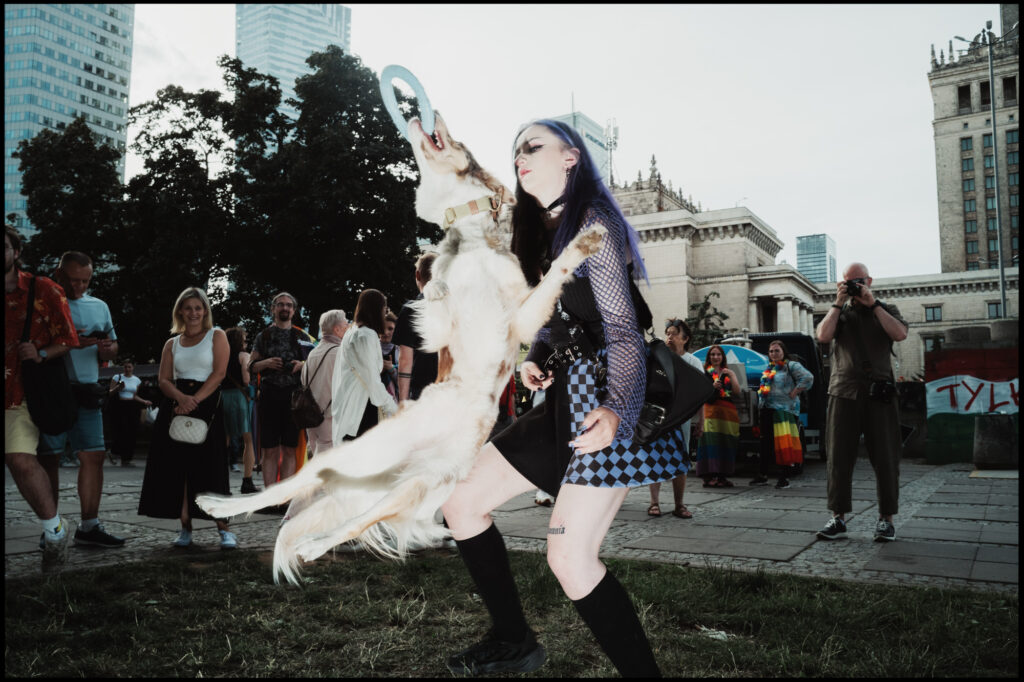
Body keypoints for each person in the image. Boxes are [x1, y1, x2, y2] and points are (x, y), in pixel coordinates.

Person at [440, 118, 675, 677]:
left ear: (571, 157)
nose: (520, 157)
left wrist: (617, 407)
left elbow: (620, 328)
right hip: (563, 402)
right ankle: (514, 641)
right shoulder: (542, 232)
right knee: (461, 502)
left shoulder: (594, 222)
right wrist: (537, 358)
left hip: (607, 401)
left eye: (532, 146)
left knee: (569, 556)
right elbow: (557, 319)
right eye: (515, 149)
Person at [37, 251, 125, 549]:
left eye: (85, 281)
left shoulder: (99, 306)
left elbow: (112, 351)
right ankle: (51, 526)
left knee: (94, 455)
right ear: (58, 274)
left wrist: (106, 347)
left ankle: (89, 525)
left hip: (87, 388)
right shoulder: (42, 301)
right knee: (49, 458)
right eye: (73, 280)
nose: (79, 288)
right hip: (52, 390)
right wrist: (72, 341)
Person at [815, 262, 908, 542]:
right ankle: (838, 518)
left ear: (869, 280)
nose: (855, 286)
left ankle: (886, 520)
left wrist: (873, 303)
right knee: (839, 458)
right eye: (848, 282)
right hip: (843, 392)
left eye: (859, 281)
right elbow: (822, 336)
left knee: (886, 458)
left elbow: (900, 334)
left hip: (879, 393)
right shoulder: (839, 312)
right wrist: (837, 302)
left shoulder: (886, 309)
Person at [138, 287, 236, 549]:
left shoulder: (217, 336)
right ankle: (185, 528)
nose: (193, 313)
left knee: (211, 467)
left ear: (205, 311)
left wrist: (195, 400)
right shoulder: (172, 343)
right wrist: (181, 398)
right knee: (176, 469)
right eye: (188, 308)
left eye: (198, 308)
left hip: (206, 403)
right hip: (176, 404)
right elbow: (163, 379)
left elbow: (219, 373)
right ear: (180, 311)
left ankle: (224, 528)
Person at [4, 225, 79, 571]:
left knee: (20, 460)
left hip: (20, 392)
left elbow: (67, 340)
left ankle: (54, 531)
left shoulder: (44, 289)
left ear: (16, 252)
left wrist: (41, 353)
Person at [646, 318, 704, 519]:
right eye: (667, 333)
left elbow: (700, 395)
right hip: (658, 418)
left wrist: (701, 421)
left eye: (673, 334)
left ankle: (679, 504)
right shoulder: (658, 359)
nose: (669, 337)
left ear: (685, 339)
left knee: (681, 459)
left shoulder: (693, 362)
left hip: (682, 420)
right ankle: (654, 503)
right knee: (655, 457)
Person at [248, 292, 305, 488]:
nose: (285, 308)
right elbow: (250, 366)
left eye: (289, 305)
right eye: (280, 305)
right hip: (269, 395)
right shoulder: (263, 336)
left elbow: (314, 365)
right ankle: (270, 498)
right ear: (273, 309)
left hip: (294, 397)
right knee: (269, 449)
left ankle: (284, 499)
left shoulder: (302, 336)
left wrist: (302, 364)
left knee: (290, 449)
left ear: (294, 310)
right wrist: (266, 363)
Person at [330, 290, 398, 442]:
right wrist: (392, 407)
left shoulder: (353, 332)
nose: (384, 313)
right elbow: (372, 379)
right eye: (384, 309)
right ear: (376, 310)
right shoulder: (366, 335)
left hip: (354, 404)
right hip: (362, 407)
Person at [751, 339, 813, 489]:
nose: (773, 353)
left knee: (783, 444)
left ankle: (784, 477)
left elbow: (808, 378)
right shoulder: (769, 367)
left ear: (784, 352)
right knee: (766, 444)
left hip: (784, 410)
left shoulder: (791, 366)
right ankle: (763, 475)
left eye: (777, 351)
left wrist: (796, 390)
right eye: (771, 351)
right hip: (767, 409)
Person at [393, 252, 439, 402]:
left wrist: (403, 402)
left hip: (423, 392)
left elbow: (405, 360)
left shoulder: (411, 310)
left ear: (417, 275)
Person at [302, 309, 347, 456]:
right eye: (346, 323)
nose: (348, 327)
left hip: (311, 415)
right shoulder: (339, 353)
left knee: (315, 457)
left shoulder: (312, 353)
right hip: (329, 416)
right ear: (337, 329)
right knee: (327, 464)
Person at [694, 344, 740, 488]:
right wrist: (711, 387)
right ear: (709, 358)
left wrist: (732, 375)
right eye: (713, 355)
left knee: (725, 444)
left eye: (718, 354)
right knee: (709, 444)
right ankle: (709, 476)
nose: (715, 357)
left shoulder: (727, 372)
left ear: (722, 357)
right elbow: (700, 392)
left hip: (727, 414)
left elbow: (737, 392)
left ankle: (722, 476)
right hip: (710, 412)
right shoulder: (704, 372)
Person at [222, 327, 258, 494]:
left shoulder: (221, 356)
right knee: (248, 440)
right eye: (244, 338)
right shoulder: (243, 356)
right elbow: (246, 379)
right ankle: (247, 481)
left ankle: (220, 480)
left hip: (223, 397)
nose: (246, 340)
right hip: (239, 398)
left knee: (225, 439)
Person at [108, 359, 153, 467]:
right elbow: (110, 393)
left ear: (133, 368)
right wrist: (118, 388)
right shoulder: (117, 377)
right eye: (125, 367)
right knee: (122, 431)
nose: (127, 369)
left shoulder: (136, 380)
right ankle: (113, 451)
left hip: (132, 406)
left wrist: (144, 401)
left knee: (132, 432)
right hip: (120, 406)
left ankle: (126, 459)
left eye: (129, 367)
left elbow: (134, 395)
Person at [380, 311, 399, 399]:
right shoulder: (371, 347)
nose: (385, 332)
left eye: (390, 329)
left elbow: (404, 382)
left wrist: (391, 369)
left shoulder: (400, 350)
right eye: (382, 328)